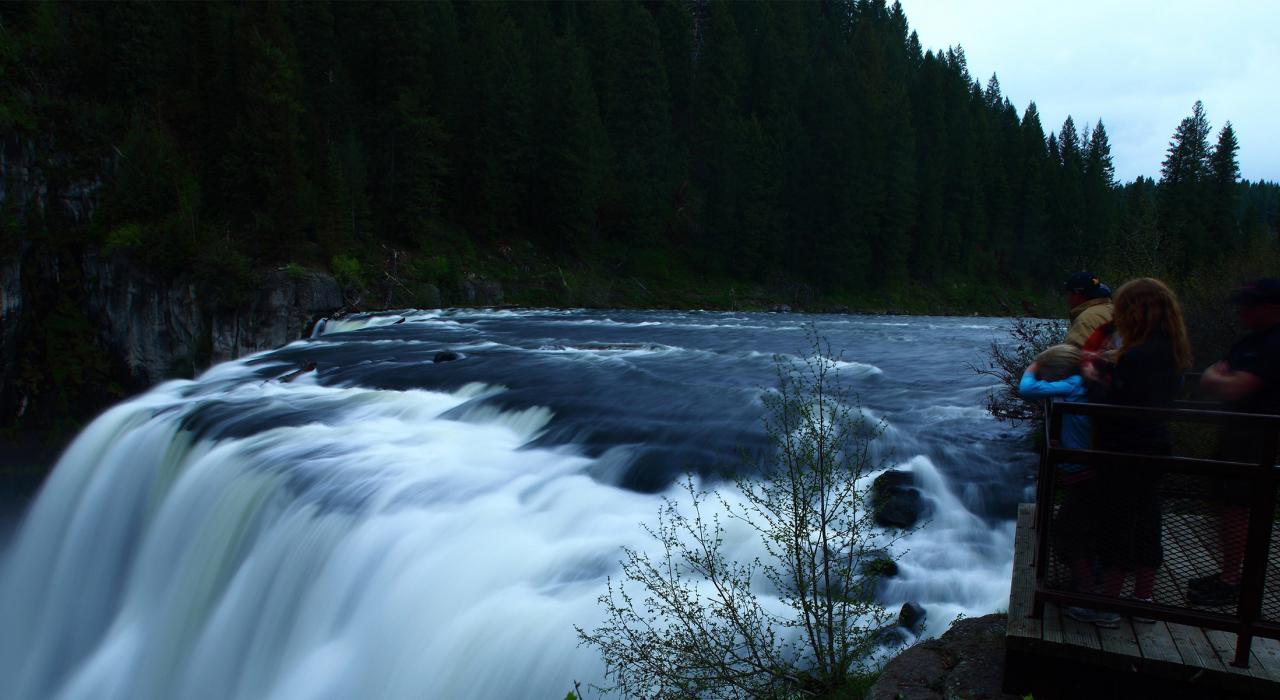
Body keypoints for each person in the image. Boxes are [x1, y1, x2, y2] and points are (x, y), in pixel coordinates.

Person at [1068, 278, 1191, 627]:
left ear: (1138, 310)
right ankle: (1143, 599)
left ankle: (1106, 604)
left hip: (1123, 450)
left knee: (1116, 523)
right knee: (1148, 520)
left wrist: (1093, 372)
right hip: (1154, 446)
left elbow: (1111, 405)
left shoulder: (1138, 355)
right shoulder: (1170, 348)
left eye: (1124, 307)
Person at [1187, 278, 1280, 606]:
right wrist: (1218, 378)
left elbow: (1229, 386)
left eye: (1249, 305)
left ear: (1270, 308)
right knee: (1225, 506)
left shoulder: (1273, 344)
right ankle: (1231, 573)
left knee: (1238, 508)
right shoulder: (1252, 341)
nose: (1241, 311)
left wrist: (1214, 376)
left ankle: (1233, 582)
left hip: (1256, 442)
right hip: (1237, 436)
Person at [1019, 344, 1102, 603]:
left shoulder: (1073, 384)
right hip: (1087, 468)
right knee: (1087, 529)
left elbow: (1027, 389)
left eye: (1045, 373)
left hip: (1083, 471)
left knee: (1068, 532)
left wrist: (1033, 366)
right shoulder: (1079, 384)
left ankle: (1087, 590)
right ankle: (1088, 580)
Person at [1063, 272, 1114, 348]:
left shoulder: (1085, 321)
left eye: (1068, 294)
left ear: (1077, 295)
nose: (1067, 299)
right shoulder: (1117, 310)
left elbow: (1072, 355)